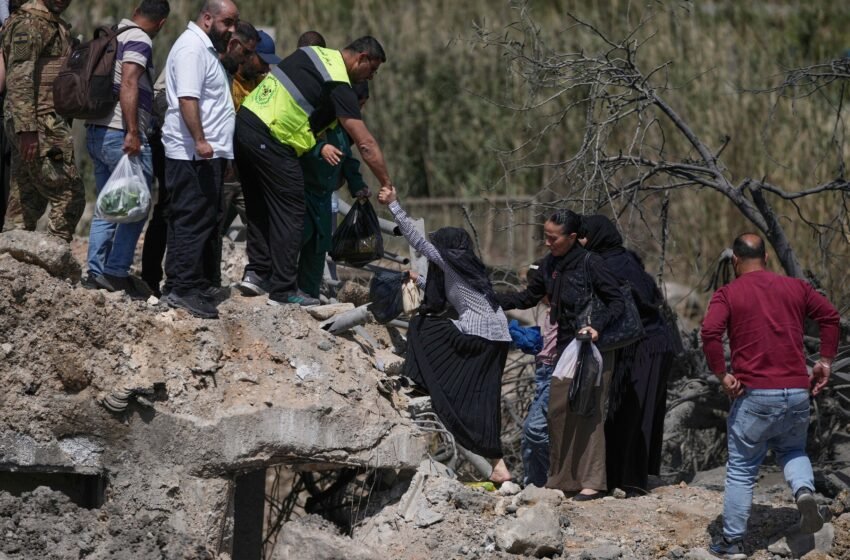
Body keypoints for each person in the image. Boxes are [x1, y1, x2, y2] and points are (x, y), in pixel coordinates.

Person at [700, 233, 839, 558]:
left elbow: (709, 333)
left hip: (756, 395)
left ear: (735, 261)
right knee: (792, 449)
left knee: (742, 468)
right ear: (766, 258)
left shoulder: (728, 293)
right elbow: (830, 317)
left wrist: (723, 375)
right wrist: (825, 361)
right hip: (797, 392)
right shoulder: (796, 287)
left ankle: (732, 543)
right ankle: (804, 491)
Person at [234, 36, 392, 306]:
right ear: (361, 58)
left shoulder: (311, 54)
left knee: (259, 207)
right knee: (293, 211)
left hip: (245, 126)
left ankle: (258, 274)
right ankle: (283, 291)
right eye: (373, 70)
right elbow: (365, 143)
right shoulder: (339, 83)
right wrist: (386, 182)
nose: (373, 77)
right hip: (272, 138)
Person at [377, 184, 514, 483]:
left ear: (447, 248)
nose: (434, 251)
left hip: (480, 338)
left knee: (422, 325)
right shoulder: (469, 266)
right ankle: (499, 467)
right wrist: (422, 282)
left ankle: (419, 379)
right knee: (481, 399)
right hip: (497, 339)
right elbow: (455, 297)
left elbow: (418, 242)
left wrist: (394, 205)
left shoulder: (451, 261)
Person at [496, 209, 624, 499]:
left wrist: (597, 327)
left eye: (553, 238)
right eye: (546, 236)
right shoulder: (550, 264)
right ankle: (561, 482)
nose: (547, 243)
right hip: (563, 354)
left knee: (586, 415)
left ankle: (590, 484)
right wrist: (491, 298)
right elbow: (528, 296)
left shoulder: (592, 264)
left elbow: (617, 302)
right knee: (558, 418)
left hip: (590, 349)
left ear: (573, 238)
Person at [578, 215, 675, 494]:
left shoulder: (612, 264)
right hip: (641, 344)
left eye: (584, 236)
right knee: (624, 409)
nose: (581, 242)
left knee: (636, 411)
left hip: (646, 345)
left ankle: (632, 480)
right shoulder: (621, 258)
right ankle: (619, 475)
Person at [83, 0, 170, 297]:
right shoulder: (140, 38)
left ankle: (95, 272)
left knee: (108, 204)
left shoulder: (114, 33)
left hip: (96, 131)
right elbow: (130, 82)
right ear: (161, 23)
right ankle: (116, 272)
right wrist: (133, 131)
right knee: (136, 206)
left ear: (135, 11)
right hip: (122, 134)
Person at [160, 0, 238, 319]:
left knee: (201, 218)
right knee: (191, 219)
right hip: (192, 154)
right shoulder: (192, 49)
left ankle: (188, 282)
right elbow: (188, 99)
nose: (232, 30)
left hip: (206, 153)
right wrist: (201, 140)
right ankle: (183, 288)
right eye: (227, 22)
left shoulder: (203, 48)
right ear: (207, 19)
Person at [2, 0, 84, 242]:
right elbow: (19, 78)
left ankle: (12, 262)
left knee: (25, 196)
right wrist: (27, 129)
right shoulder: (30, 24)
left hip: (39, 119)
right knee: (69, 194)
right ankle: (56, 255)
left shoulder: (49, 22)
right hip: (40, 122)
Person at [295, 81, 371, 299]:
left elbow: (347, 160)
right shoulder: (314, 120)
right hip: (303, 192)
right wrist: (319, 149)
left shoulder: (341, 130)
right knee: (299, 237)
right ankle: (282, 288)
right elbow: (298, 142)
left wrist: (358, 186)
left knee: (319, 245)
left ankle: (307, 293)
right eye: (358, 105)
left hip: (323, 197)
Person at [519, 266, 558, 487]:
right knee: (529, 438)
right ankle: (533, 486)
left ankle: (551, 480)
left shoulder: (566, 310)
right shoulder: (549, 312)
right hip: (543, 372)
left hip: (555, 374)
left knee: (535, 430)